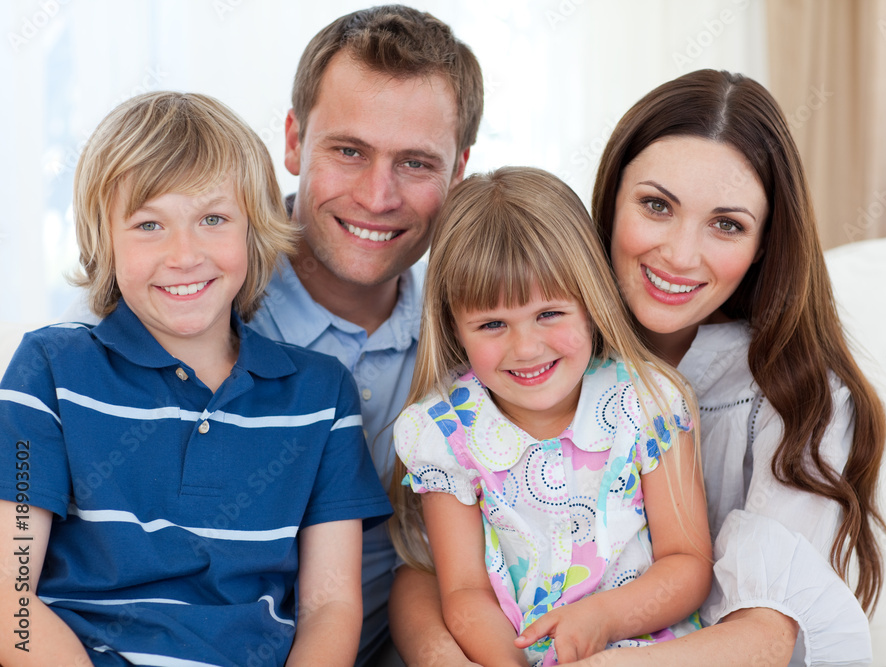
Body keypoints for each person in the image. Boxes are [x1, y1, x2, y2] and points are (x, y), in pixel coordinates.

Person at [0, 91, 392, 666]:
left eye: (213, 219)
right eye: (149, 224)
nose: (184, 255)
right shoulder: (50, 370)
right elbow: (12, 602)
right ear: (103, 239)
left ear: (254, 230)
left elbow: (329, 606)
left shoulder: (322, 394)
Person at [571, 69, 886, 665]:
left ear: (765, 243)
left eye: (727, 225)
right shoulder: (534, 348)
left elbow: (764, 637)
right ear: (611, 199)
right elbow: (427, 563)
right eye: (656, 205)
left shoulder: (800, 400)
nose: (681, 255)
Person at [390, 167, 713, 666]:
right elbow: (464, 593)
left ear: (590, 302)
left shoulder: (649, 401)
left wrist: (602, 618)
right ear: (454, 328)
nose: (526, 348)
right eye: (492, 324)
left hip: (648, 649)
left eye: (549, 314)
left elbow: (687, 564)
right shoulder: (444, 432)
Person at [241, 6, 484, 665]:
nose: (378, 196)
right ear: (293, 141)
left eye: (415, 163)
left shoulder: (486, 340)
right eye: (348, 151)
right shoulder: (198, 302)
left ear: (458, 171)